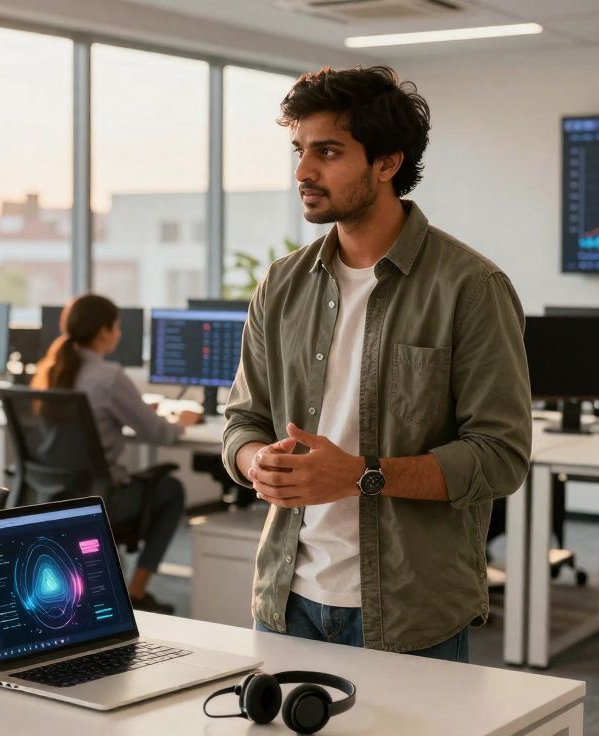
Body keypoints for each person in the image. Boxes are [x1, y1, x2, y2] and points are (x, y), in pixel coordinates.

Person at [221, 66, 531, 663]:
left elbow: (501, 456)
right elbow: (242, 420)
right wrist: (255, 461)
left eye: (328, 152)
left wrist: (360, 475)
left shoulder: (470, 287)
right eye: (299, 150)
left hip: (411, 609)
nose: (303, 171)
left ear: (387, 163)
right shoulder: (282, 285)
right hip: (286, 600)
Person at [32, 294, 199, 614]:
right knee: (171, 490)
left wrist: (134, 409)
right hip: (98, 499)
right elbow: (158, 433)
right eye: (117, 327)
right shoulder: (109, 378)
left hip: (51, 495)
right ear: (103, 332)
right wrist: (183, 421)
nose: (119, 334)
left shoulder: (49, 369)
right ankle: (136, 592)